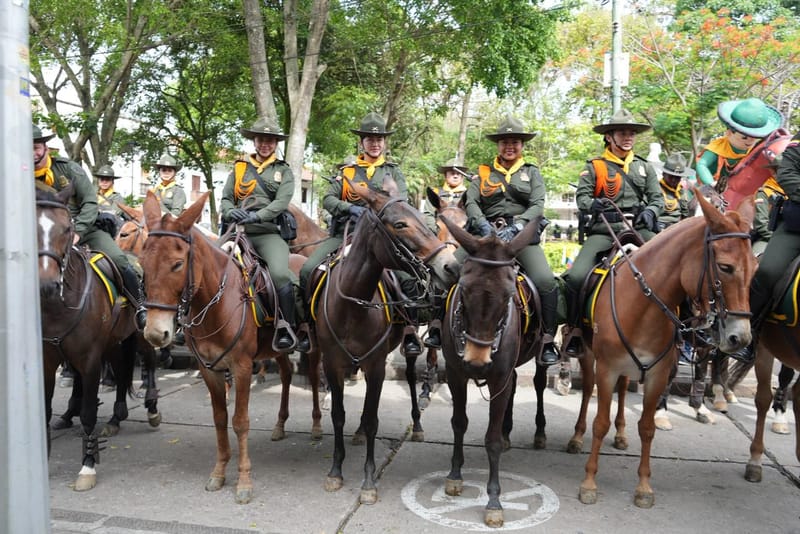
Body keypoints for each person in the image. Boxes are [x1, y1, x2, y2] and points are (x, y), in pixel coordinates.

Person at [299, 112, 422, 356]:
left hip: (384, 238)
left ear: (384, 143)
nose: (374, 144)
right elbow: (328, 198)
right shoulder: (348, 171)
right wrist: (350, 208)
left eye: (379, 140)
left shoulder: (393, 173)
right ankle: (308, 328)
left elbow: (401, 202)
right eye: (369, 139)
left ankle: (409, 329)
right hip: (345, 234)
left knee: (409, 277)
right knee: (307, 270)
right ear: (362, 142)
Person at [561, 109, 664, 356]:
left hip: (638, 229)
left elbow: (657, 199)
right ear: (609, 136)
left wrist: (651, 212)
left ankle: (682, 331)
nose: (628, 137)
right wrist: (592, 204)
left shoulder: (644, 167)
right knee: (575, 277)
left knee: (673, 265)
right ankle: (574, 329)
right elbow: (582, 197)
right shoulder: (594, 166)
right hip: (605, 230)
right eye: (622, 132)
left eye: (631, 133)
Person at [461, 116, 560, 365]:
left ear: (521, 145)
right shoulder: (483, 172)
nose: (510, 146)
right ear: (498, 145)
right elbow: (471, 201)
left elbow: (538, 204)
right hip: (486, 235)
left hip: (520, 238)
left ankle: (548, 340)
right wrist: (482, 224)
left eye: (515, 142)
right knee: (449, 268)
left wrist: (518, 226)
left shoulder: (531, 172)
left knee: (547, 281)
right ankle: (438, 327)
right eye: (505, 142)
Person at [33, 124, 146, 329]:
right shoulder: (18, 175)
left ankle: (140, 307)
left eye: (36, 147)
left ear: (45, 148)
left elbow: (90, 203)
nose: (33, 153)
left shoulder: (68, 169)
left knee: (119, 259)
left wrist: (79, 231)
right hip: (43, 235)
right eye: (28, 148)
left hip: (81, 229)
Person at [220, 117, 308, 353]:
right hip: (237, 232)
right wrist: (231, 212)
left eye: (270, 140)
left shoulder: (283, 171)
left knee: (280, 275)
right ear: (254, 141)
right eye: (261, 140)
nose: (265, 144)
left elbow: (281, 203)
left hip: (267, 233)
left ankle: (287, 326)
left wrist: (257, 217)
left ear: (275, 143)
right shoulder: (239, 168)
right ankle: (186, 323)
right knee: (205, 264)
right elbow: (226, 198)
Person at [649, 153, 696, 430]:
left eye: (677, 176)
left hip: (681, 252)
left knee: (696, 288)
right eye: (670, 175)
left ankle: (692, 332)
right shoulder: (657, 190)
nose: (674, 179)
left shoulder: (685, 196)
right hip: (658, 245)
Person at [695, 97, 783, 194]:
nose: (750, 141)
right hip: (711, 188)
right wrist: (711, 183)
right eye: (744, 137)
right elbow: (702, 164)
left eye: (754, 137)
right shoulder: (717, 147)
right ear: (729, 133)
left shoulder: (755, 151)